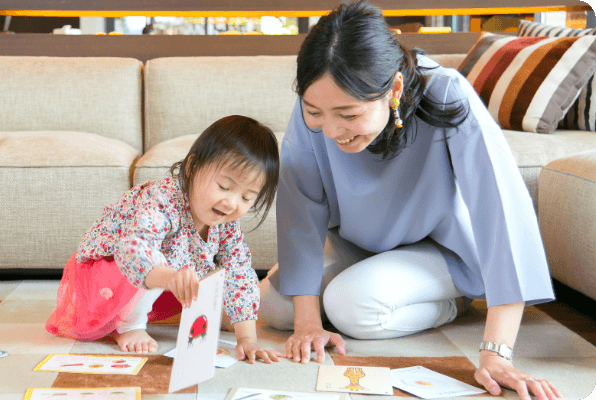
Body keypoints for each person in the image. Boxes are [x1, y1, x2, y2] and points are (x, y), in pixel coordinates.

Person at [258, 2, 561, 400]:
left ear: (394, 90)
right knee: (275, 309)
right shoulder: (316, 104)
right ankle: (355, 288)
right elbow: (301, 210)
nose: (330, 130)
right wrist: (308, 324)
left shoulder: (447, 90)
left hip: (440, 250)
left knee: (351, 306)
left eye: (348, 114)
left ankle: (455, 302)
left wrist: (496, 354)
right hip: (357, 243)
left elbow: (500, 213)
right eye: (316, 112)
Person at [46, 115, 283, 364]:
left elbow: (240, 274)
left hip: (163, 282)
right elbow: (135, 249)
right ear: (192, 168)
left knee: (223, 274)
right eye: (224, 187)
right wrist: (171, 277)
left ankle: (170, 305)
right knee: (155, 259)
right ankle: (129, 325)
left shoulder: (227, 225)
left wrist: (247, 339)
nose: (231, 203)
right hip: (111, 274)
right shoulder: (161, 199)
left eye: (246, 198)